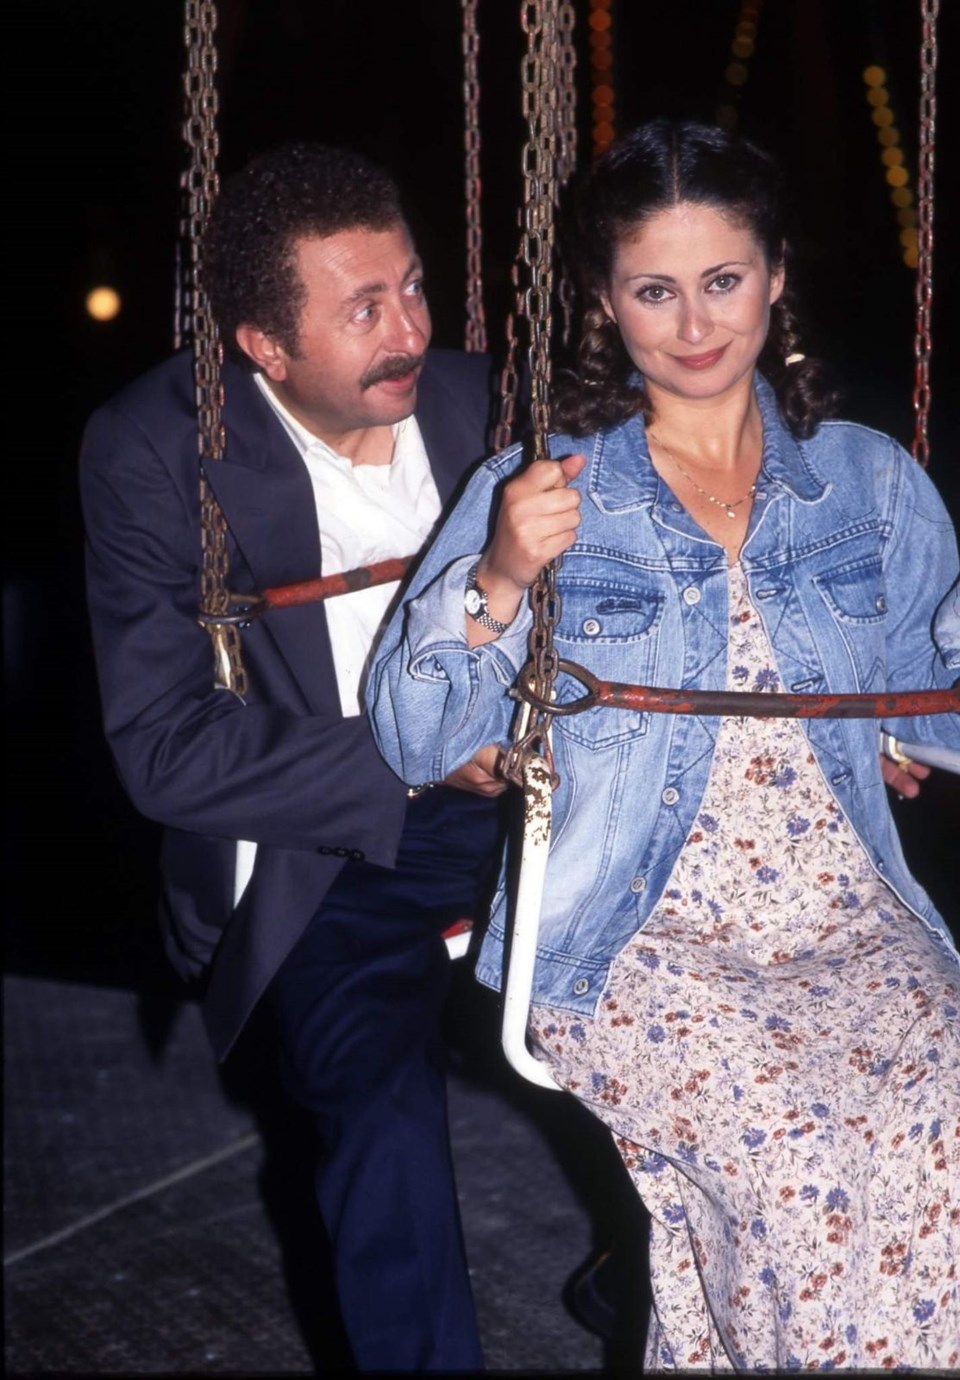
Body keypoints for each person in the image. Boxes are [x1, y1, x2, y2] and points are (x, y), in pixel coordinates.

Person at [367, 119, 960, 1371]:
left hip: (848, 917)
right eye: (655, 290)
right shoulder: (545, 488)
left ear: (777, 276)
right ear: (604, 300)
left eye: (723, 280)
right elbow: (414, 739)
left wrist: (899, 735)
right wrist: (498, 579)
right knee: (800, 1174)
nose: (695, 325)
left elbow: (932, 699)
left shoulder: (870, 484)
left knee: (940, 1142)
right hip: (637, 938)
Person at [79, 141, 509, 1372]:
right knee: (379, 1117)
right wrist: (420, 757)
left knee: (700, 1015)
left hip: (526, 805)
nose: (410, 329)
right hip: (327, 842)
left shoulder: (488, 399)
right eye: (363, 308)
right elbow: (163, 748)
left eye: (414, 286)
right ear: (264, 346)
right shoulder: (155, 446)